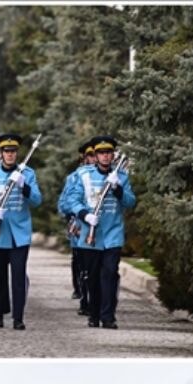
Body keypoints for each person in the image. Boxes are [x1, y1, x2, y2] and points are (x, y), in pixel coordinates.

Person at [63, 135, 136, 329]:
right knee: (92, 276)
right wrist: (85, 215)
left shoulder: (121, 176)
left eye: (108, 153)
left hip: (113, 233)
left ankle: (108, 316)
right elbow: (73, 200)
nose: (105, 156)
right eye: (101, 153)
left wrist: (118, 188)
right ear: (95, 155)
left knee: (110, 274)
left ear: (113, 155)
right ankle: (93, 313)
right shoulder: (84, 175)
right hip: (90, 235)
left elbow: (130, 202)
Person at [0, 132, 42, 330]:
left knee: (19, 276)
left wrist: (24, 186)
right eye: (6, 151)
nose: (10, 154)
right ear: (1, 153)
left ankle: (18, 317)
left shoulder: (27, 173)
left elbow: (37, 200)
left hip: (20, 233)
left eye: (13, 151)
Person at [59, 139, 96, 315]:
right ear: (84, 157)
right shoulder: (75, 177)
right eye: (90, 155)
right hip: (80, 226)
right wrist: (75, 214)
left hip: (101, 227)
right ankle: (84, 298)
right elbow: (64, 203)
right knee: (82, 265)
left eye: (94, 155)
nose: (93, 159)